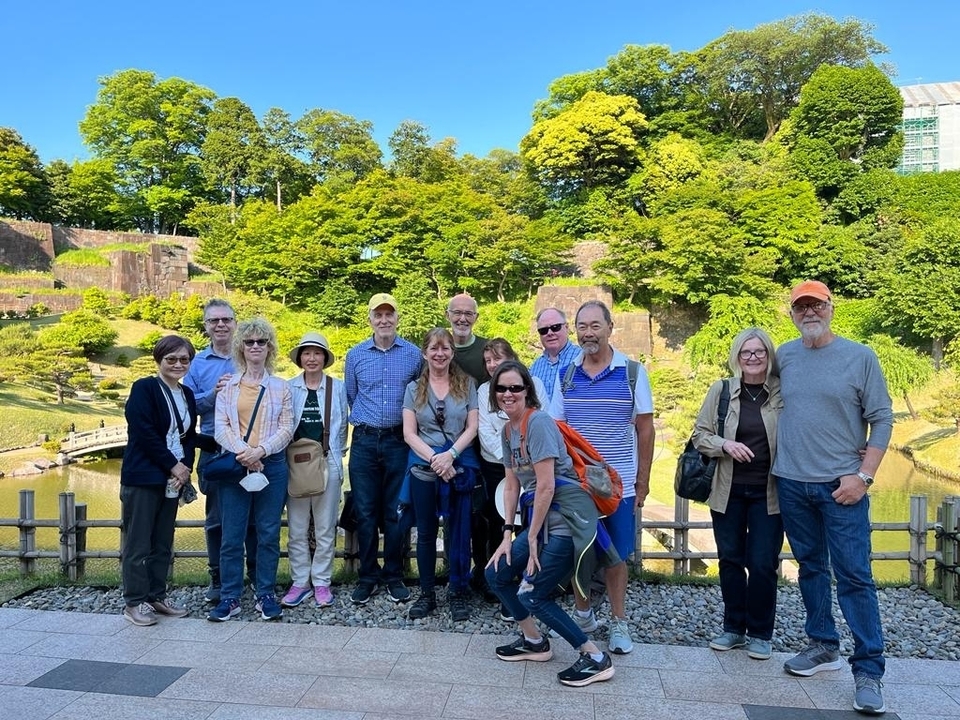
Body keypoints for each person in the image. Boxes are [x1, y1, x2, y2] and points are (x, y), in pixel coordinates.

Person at [773, 280, 893, 716]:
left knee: (855, 576)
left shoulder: (860, 357)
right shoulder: (783, 356)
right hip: (791, 482)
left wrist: (865, 475)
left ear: (831, 308)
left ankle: (869, 671)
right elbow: (751, 382)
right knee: (810, 568)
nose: (809, 312)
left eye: (816, 305)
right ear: (791, 313)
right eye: (801, 306)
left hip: (842, 487)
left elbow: (881, 419)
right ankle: (822, 645)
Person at [485, 360, 619, 687]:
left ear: (527, 390)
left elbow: (546, 485)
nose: (508, 394)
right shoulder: (507, 431)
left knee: (533, 594)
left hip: (565, 523)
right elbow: (513, 484)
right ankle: (534, 641)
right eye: (501, 388)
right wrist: (508, 533)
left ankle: (595, 657)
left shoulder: (539, 422)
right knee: (496, 573)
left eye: (515, 387)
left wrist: (531, 538)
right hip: (540, 522)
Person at [547, 300, 655, 655]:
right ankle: (583, 615)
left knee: (618, 555)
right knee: (580, 551)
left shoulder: (633, 373)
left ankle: (620, 623)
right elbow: (556, 428)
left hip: (619, 482)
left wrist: (643, 481)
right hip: (579, 484)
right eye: (582, 326)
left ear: (610, 328)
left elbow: (645, 428)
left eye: (595, 325)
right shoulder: (567, 375)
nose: (588, 333)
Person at [692, 328, 783, 661]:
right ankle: (733, 627)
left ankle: (760, 632)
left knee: (762, 563)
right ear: (737, 357)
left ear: (769, 355)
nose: (753, 358)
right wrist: (725, 444)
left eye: (759, 352)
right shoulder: (722, 390)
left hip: (768, 492)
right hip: (727, 490)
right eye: (746, 353)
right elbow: (700, 434)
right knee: (730, 560)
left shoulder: (782, 394)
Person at [208, 317, 294, 622]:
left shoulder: (281, 387)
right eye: (249, 342)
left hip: (271, 465)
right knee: (232, 534)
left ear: (269, 347)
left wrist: (261, 451)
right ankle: (230, 596)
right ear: (240, 347)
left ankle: (265, 593)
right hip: (237, 466)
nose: (256, 346)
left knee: (268, 532)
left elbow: (287, 427)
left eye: (262, 341)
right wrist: (245, 453)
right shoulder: (228, 386)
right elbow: (221, 427)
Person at [344, 293, 422, 605]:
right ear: (370, 319)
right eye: (379, 315)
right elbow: (353, 396)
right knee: (365, 512)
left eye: (390, 314)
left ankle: (393, 574)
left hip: (398, 440)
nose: (384, 320)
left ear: (397, 318)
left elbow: (418, 395)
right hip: (364, 440)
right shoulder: (355, 355)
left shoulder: (414, 355)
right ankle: (367, 575)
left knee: (395, 511)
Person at [402, 328, 480, 621]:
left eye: (445, 348)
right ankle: (427, 593)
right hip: (425, 464)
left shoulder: (467, 384)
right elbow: (410, 433)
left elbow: (472, 427)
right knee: (425, 533)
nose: (439, 353)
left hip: (459, 463)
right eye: (434, 348)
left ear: (452, 352)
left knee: (459, 532)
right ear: (425, 353)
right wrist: (436, 458)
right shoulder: (413, 389)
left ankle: (458, 592)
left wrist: (451, 456)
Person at [120, 335, 197, 626]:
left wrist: (185, 467)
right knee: (138, 543)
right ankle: (134, 602)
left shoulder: (186, 394)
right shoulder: (145, 389)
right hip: (143, 477)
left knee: (163, 541)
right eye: (171, 359)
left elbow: (187, 437)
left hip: (172, 479)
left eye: (184, 359)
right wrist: (173, 465)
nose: (178, 364)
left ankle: (156, 596)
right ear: (159, 360)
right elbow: (144, 432)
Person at [183, 299, 256, 604]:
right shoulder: (197, 363)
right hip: (215, 447)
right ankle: (219, 575)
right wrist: (214, 394)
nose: (221, 325)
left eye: (226, 319)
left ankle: (255, 574)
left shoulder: (250, 354)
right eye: (214, 321)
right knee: (216, 516)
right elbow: (188, 406)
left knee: (254, 512)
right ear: (206, 326)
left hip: (252, 447)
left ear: (235, 322)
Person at [477, 337, 548, 612]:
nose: (493, 364)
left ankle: (530, 583)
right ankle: (502, 583)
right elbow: (486, 432)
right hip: (496, 466)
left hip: (533, 467)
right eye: (488, 360)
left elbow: (544, 420)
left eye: (498, 357)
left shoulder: (534, 384)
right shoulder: (485, 392)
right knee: (501, 523)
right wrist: (511, 455)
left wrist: (525, 457)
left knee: (531, 523)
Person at [281, 332, 348, 609]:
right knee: (297, 528)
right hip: (295, 463)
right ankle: (300, 581)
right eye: (306, 353)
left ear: (324, 358)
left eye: (317, 353)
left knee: (325, 527)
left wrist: (334, 455)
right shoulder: (288, 387)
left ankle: (321, 582)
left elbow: (342, 425)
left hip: (327, 460)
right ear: (299, 358)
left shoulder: (337, 387)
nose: (311, 358)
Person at [529, 307, 580, 402]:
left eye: (555, 327)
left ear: (567, 327)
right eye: (543, 330)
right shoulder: (535, 367)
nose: (550, 333)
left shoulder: (583, 358)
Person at [446, 293, 488, 384]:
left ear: (476, 317)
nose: (462, 319)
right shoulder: (437, 352)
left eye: (468, 314)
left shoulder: (489, 349)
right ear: (447, 315)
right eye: (457, 313)